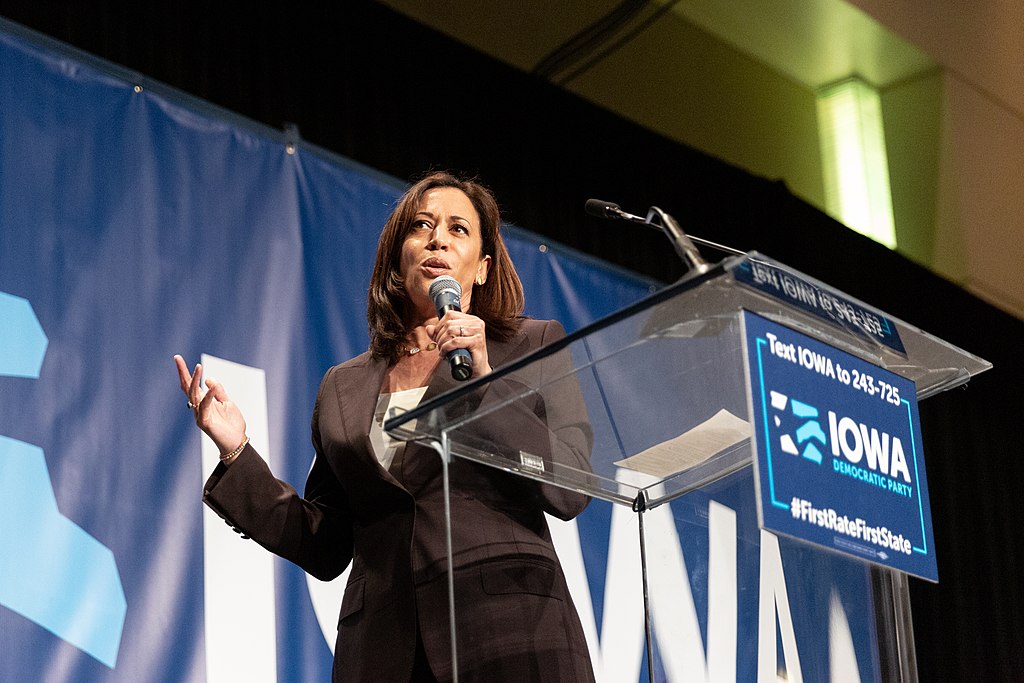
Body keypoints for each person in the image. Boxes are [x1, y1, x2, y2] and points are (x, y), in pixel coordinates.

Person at [174, 172, 595, 682]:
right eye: (422, 225)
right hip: (382, 653)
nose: (438, 237)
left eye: (458, 229)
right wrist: (237, 453)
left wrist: (485, 381)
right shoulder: (342, 386)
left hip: (509, 637)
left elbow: (570, 484)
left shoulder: (531, 346)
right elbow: (327, 544)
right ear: (400, 257)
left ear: (482, 269)